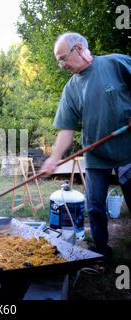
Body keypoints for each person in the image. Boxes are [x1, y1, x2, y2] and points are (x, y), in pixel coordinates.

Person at [41, 32, 131, 262]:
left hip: (127, 150)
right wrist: (54, 158)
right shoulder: (71, 89)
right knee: (94, 207)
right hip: (95, 156)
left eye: (63, 58)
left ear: (79, 48)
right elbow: (66, 129)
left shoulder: (115, 63)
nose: (61, 65)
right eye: (58, 61)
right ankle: (102, 252)